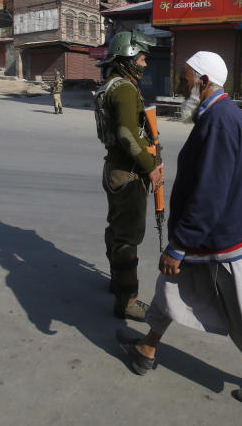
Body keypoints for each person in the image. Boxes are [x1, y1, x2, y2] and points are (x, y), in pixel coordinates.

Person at [117, 51, 242, 409]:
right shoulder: (217, 114)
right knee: (170, 286)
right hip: (207, 235)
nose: (180, 85)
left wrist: (179, 245)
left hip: (219, 239)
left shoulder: (218, 120)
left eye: (185, 79)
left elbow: (210, 193)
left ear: (203, 82)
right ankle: (147, 348)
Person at [94, 30, 163, 321]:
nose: (145, 64)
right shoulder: (124, 88)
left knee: (116, 229)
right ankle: (127, 300)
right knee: (128, 239)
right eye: (142, 58)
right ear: (127, 58)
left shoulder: (108, 85)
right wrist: (151, 167)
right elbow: (125, 133)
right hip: (129, 173)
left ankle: (116, 281)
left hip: (115, 169)